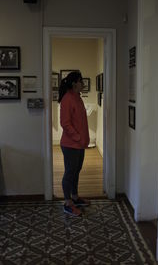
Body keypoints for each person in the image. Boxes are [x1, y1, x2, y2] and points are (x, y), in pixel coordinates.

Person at [58, 70, 90, 217]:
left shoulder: (77, 97)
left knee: (76, 170)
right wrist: (77, 137)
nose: (83, 83)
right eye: (81, 81)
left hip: (79, 144)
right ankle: (67, 203)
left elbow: (82, 122)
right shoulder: (67, 98)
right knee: (70, 173)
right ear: (74, 83)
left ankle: (75, 197)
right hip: (70, 144)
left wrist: (84, 139)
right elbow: (65, 123)